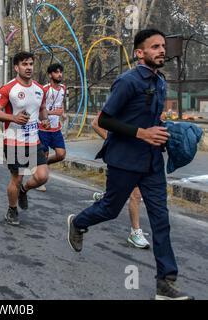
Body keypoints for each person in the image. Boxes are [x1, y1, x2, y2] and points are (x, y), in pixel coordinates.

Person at [67, 29, 194, 300]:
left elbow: (149, 118)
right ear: (140, 53)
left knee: (161, 220)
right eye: (154, 46)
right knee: (110, 209)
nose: (161, 50)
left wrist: (165, 131)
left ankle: (165, 283)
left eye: (163, 46)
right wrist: (142, 133)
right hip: (124, 160)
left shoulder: (159, 81)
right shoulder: (127, 81)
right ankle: (78, 222)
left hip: (151, 161)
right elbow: (104, 120)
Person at [0, 51, 50, 226]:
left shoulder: (40, 89)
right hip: (14, 141)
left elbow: (42, 108)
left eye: (31, 64)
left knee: (42, 176)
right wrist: (13, 118)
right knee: (17, 178)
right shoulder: (8, 89)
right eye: (24, 64)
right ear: (16, 67)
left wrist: (44, 119)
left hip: (34, 140)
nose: (29, 67)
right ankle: (12, 209)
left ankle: (24, 191)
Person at [91, 112, 150, 249]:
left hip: (140, 156)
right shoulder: (122, 101)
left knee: (134, 194)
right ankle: (135, 233)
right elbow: (95, 123)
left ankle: (107, 196)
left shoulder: (150, 102)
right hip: (121, 157)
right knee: (134, 194)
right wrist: (111, 142)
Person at [37, 63, 67, 192]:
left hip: (56, 128)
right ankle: (40, 181)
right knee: (45, 152)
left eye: (61, 72)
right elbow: (38, 109)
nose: (59, 74)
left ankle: (44, 163)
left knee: (61, 154)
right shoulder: (44, 90)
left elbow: (61, 104)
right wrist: (53, 114)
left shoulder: (63, 88)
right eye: (56, 72)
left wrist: (63, 114)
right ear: (50, 75)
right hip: (43, 128)